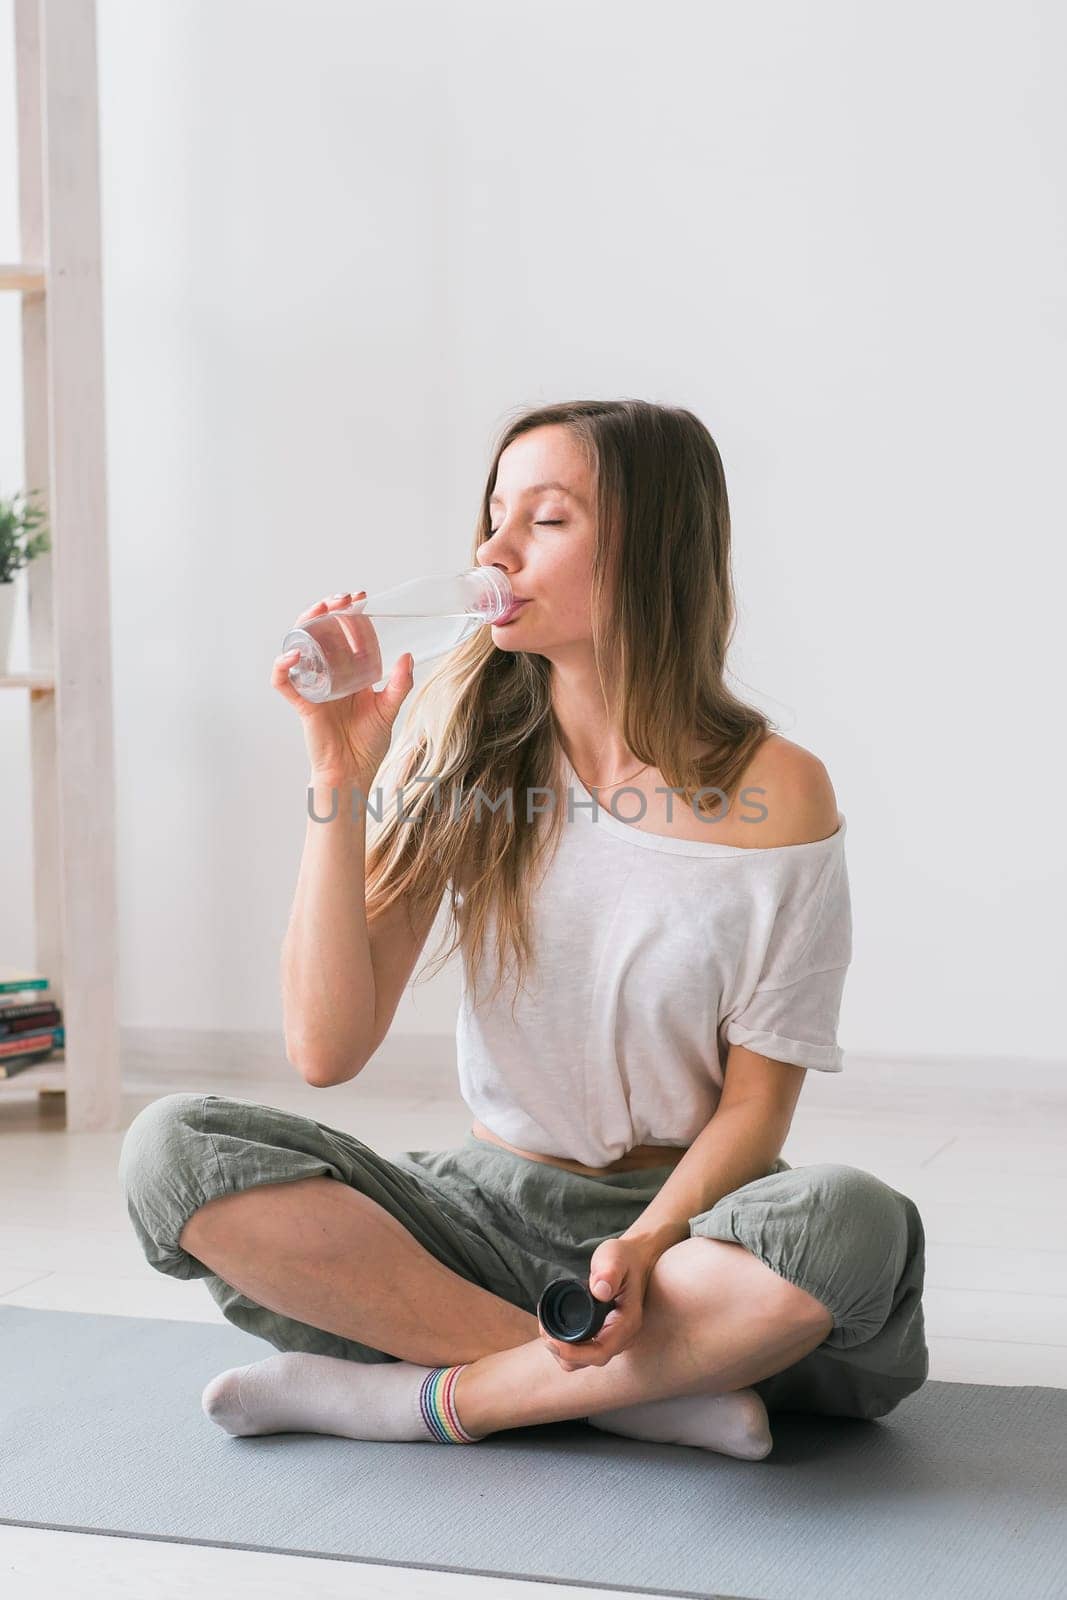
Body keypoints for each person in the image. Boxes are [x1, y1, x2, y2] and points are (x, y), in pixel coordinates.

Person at [118, 399, 928, 1458]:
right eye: (493, 516)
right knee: (169, 1152)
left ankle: (433, 1398)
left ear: (651, 550)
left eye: (543, 521)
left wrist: (641, 1244)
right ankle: (634, 1389)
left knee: (850, 1223)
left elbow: (753, 1113)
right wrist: (339, 778)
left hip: (686, 1231)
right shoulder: (462, 749)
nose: (493, 552)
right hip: (484, 1221)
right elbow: (325, 1049)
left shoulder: (780, 792)